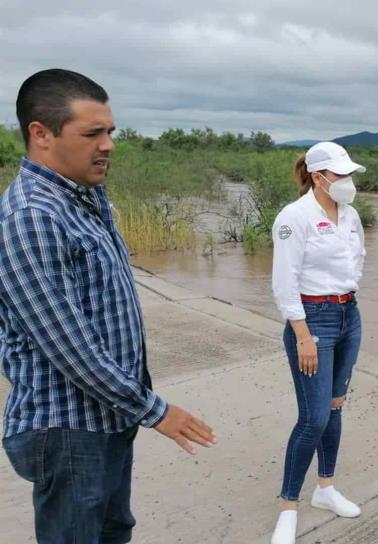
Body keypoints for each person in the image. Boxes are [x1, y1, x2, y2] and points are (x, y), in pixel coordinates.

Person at [0, 69, 216, 543]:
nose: (109, 144)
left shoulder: (85, 196)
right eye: (92, 133)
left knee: (114, 530)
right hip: (68, 428)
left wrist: (132, 406)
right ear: (41, 134)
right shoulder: (33, 216)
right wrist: (156, 411)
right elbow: (68, 345)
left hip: (107, 416)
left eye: (110, 132)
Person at [269, 142, 367, 544]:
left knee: (335, 407)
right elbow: (284, 282)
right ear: (317, 176)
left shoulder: (351, 215)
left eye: (348, 174)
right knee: (313, 418)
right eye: (339, 175)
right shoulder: (294, 218)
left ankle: (324, 489)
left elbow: (357, 261)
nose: (346, 181)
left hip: (349, 315)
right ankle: (288, 508)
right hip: (313, 320)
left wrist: (346, 301)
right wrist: (303, 334)